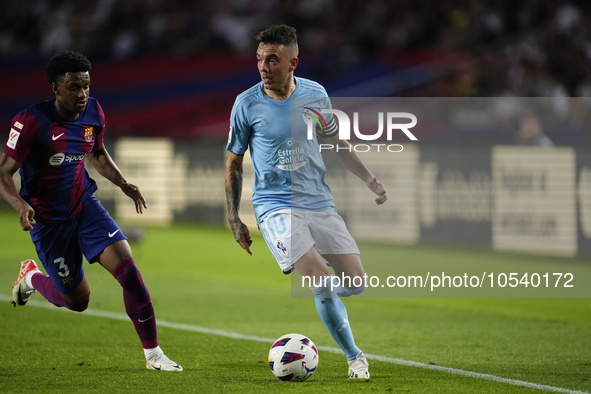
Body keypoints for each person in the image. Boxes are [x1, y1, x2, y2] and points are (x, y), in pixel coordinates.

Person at [0, 51, 182, 371]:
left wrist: (123, 183)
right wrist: (20, 204)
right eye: (73, 87)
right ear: (55, 89)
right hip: (48, 222)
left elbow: (96, 152)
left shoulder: (94, 111)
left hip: (84, 206)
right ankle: (31, 276)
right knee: (76, 302)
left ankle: (154, 356)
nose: (82, 94)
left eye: (85, 86)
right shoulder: (30, 122)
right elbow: (3, 173)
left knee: (129, 273)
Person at [224, 25, 387, 381]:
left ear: (293, 62)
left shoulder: (315, 94)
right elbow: (233, 162)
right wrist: (235, 217)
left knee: (357, 282)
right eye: (259, 60)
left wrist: (370, 179)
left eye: (272, 60)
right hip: (274, 205)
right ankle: (355, 357)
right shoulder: (247, 103)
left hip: (319, 202)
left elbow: (336, 143)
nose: (263, 67)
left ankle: (321, 294)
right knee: (321, 279)